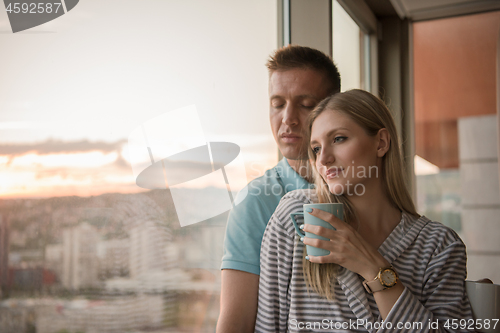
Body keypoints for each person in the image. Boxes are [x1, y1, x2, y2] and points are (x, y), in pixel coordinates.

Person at [255, 90, 473, 332]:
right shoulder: (296, 216)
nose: (323, 159)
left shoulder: (438, 245)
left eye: (338, 139)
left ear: (380, 143)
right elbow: (268, 326)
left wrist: (375, 270)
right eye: (316, 148)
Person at [216, 45, 341, 333]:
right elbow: (235, 322)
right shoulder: (256, 202)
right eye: (277, 104)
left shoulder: (359, 189)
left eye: (306, 103)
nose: (288, 118)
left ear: (335, 109)